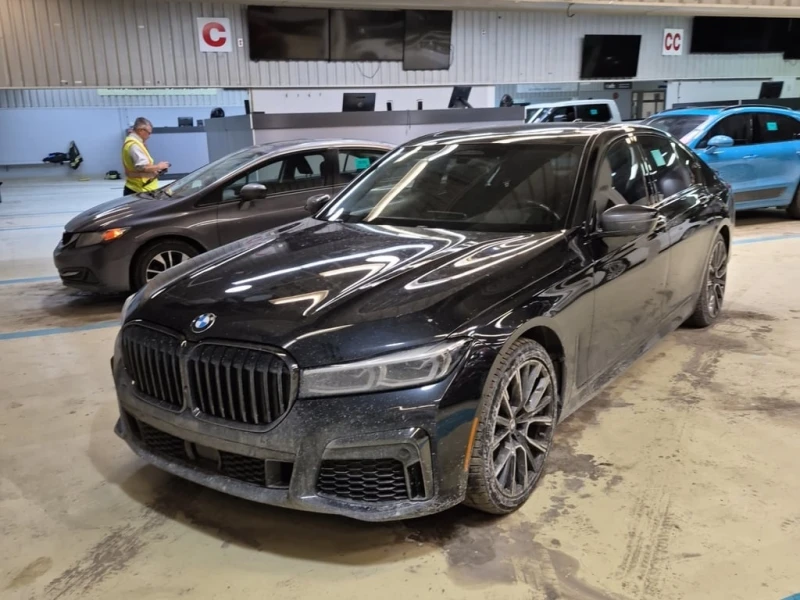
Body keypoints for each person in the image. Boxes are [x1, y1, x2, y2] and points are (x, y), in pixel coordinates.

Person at [121, 117, 170, 196]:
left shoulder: (132, 142)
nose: (149, 136)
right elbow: (142, 167)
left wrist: (155, 171)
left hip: (137, 187)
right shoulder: (134, 145)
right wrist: (159, 166)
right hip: (140, 190)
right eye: (149, 133)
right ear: (141, 130)